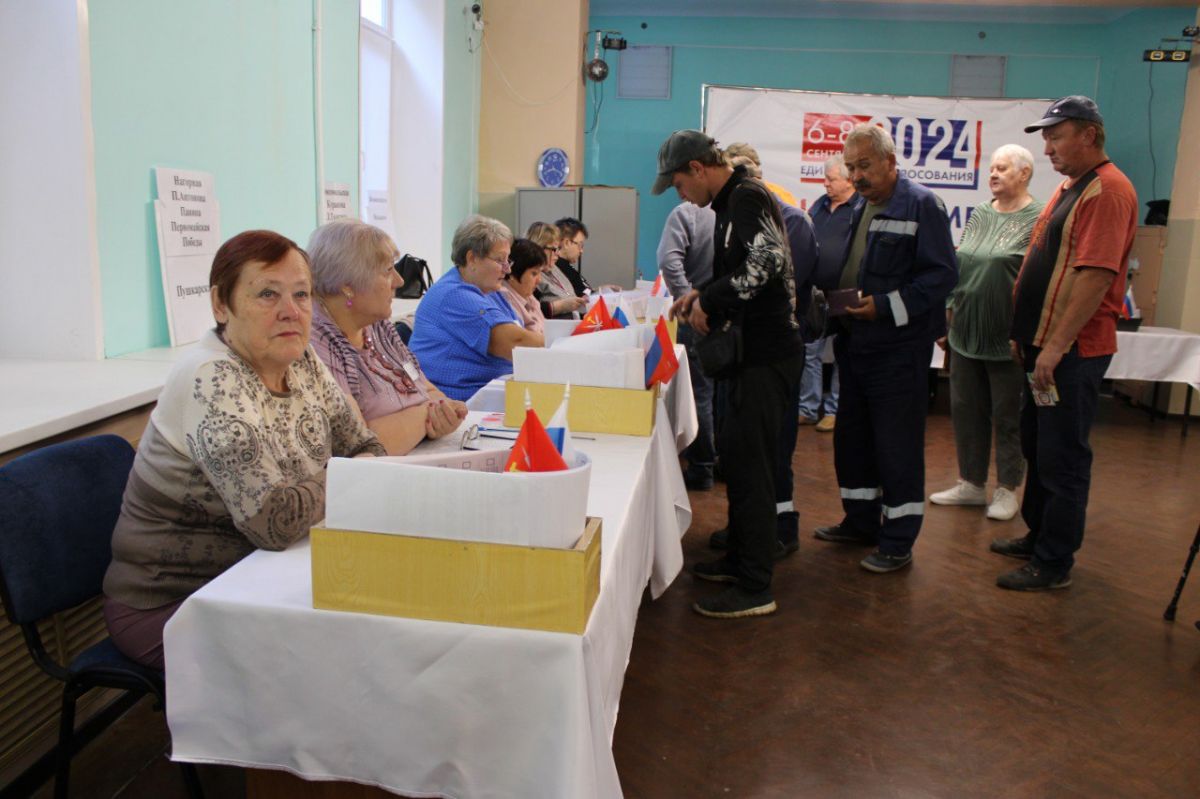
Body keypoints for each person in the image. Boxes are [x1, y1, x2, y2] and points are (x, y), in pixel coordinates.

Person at [102, 230, 386, 669]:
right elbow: (273, 522)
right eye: (267, 294)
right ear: (221, 304)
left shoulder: (302, 357)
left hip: (266, 579)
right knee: (344, 658)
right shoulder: (210, 377)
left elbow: (368, 446)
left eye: (302, 295)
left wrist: (355, 467)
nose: (290, 312)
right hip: (178, 602)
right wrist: (350, 473)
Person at [653, 129, 803, 618]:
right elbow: (741, 272)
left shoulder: (746, 196)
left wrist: (709, 298)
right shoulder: (727, 205)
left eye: (679, 185)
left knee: (754, 467)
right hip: (748, 354)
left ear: (698, 168)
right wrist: (702, 298)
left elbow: (767, 262)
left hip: (765, 355)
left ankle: (756, 585)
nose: (682, 196)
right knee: (738, 460)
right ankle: (741, 559)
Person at [991, 96, 1137, 591]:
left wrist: (1053, 348)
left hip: (1070, 354)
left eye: (1056, 136)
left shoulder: (1109, 191)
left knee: (1063, 457)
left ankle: (1054, 562)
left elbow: (1094, 277)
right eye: (1047, 138)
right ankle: (1039, 536)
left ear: (1089, 135)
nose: (1048, 147)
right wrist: (1025, 337)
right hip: (1042, 347)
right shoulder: (1071, 188)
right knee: (1038, 444)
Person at [812, 123, 957, 574]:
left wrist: (886, 307)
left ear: (891, 162)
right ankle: (860, 523)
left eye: (865, 165)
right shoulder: (859, 205)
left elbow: (940, 276)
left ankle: (897, 541)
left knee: (897, 447)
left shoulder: (922, 204)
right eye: (851, 167)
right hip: (855, 345)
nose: (856, 176)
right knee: (853, 441)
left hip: (897, 350)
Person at [930, 145, 1043, 521]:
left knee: (1008, 415)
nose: (993, 174)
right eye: (991, 168)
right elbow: (960, 262)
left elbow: (1036, 279)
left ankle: (1008, 488)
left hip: (1006, 335)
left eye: (1002, 168)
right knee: (965, 410)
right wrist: (948, 312)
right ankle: (972, 484)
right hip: (965, 329)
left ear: (1024, 174)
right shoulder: (980, 212)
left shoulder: (1038, 217)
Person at [307, 218, 467, 455]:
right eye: (388, 270)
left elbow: (429, 390)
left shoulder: (377, 325)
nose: (399, 281)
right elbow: (360, 442)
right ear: (347, 285)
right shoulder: (317, 339)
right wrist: (427, 414)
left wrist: (440, 414)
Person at [409, 215, 545, 401]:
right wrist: (563, 349)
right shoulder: (453, 294)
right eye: (500, 261)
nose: (507, 270)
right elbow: (515, 343)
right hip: (464, 402)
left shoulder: (490, 289)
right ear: (472, 258)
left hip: (494, 391)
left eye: (508, 261)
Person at [656, 199, 716, 490]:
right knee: (722, 393)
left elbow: (667, 259)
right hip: (731, 314)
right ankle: (717, 461)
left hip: (697, 316)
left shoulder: (688, 212)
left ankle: (702, 466)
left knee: (700, 393)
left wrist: (686, 299)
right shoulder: (738, 211)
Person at [803, 155, 861, 432]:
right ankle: (807, 407)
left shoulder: (860, 207)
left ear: (848, 180)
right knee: (809, 349)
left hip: (846, 291)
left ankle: (836, 409)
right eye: (824, 178)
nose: (825, 183)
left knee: (842, 353)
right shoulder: (819, 205)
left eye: (831, 179)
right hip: (816, 292)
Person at [529, 221, 586, 319]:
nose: (558, 254)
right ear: (540, 248)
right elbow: (528, 310)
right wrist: (559, 306)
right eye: (554, 249)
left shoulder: (554, 268)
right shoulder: (528, 274)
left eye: (559, 248)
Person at [498, 238, 549, 335]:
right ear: (512, 273)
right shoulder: (504, 299)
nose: (539, 280)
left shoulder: (528, 296)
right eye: (534, 274)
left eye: (540, 273)